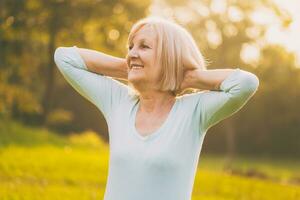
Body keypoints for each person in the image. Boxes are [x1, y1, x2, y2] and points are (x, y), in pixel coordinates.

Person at [54, 16, 259, 200]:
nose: (132, 52)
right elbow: (64, 58)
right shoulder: (118, 102)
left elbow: (245, 84)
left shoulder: (193, 112)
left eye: (144, 47)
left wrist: (186, 76)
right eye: (130, 47)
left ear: (169, 56)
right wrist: (133, 66)